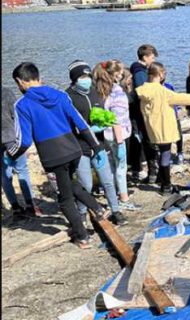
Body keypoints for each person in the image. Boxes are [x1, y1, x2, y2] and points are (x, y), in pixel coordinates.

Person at [10, 62, 110, 249]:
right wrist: (96, 146)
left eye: (18, 84)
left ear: (20, 82)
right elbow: (80, 123)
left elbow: (23, 140)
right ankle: (98, 208)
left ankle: (82, 237)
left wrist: (11, 154)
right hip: (73, 151)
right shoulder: (60, 95)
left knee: (64, 199)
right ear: (38, 77)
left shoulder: (22, 104)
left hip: (53, 157)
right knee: (71, 184)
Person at [136, 62, 190, 195]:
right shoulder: (162, 91)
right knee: (165, 155)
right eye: (164, 74)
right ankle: (166, 186)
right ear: (160, 74)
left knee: (160, 153)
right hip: (165, 128)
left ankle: (161, 179)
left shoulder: (142, 90)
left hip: (152, 129)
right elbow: (184, 98)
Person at [65, 60, 127, 227]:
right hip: (81, 147)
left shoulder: (94, 93)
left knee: (107, 180)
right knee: (86, 184)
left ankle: (115, 211)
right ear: (75, 78)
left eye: (88, 76)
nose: (86, 79)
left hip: (99, 145)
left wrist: (105, 123)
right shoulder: (68, 97)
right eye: (82, 76)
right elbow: (69, 124)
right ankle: (83, 214)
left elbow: (103, 113)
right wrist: (86, 129)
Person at [93, 60, 142, 214]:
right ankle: (124, 199)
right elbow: (117, 119)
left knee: (111, 167)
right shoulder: (117, 92)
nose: (122, 74)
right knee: (121, 167)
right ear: (114, 75)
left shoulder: (100, 90)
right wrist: (121, 142)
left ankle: (113, 195)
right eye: (120, 72)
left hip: (105, 135)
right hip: (117, 135)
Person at [2, 86, 42, 218]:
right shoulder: (6, 92)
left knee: (5, 175)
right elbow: (16, 115)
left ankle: (16, 208)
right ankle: (31, 206)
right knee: (22, 170)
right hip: (11, 138)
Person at [130, 44, 159, 184]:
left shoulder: (140, 70)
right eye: (152, 57)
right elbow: (144, 93)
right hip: (142, 113)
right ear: (145, 57)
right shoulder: (140, 72)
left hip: (139, 112)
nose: (153, 60)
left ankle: (152, 170)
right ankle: (153, 172)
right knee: (149, 141)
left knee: (149, 141)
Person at [162, 81, 184, 165]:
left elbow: (175, 98)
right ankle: (168, 154)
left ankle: (180, 152)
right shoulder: (156, 88)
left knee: (178, 134)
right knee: (167, 136)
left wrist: (178, 109)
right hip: (164, 116)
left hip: (174, 115)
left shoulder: (169, 85)